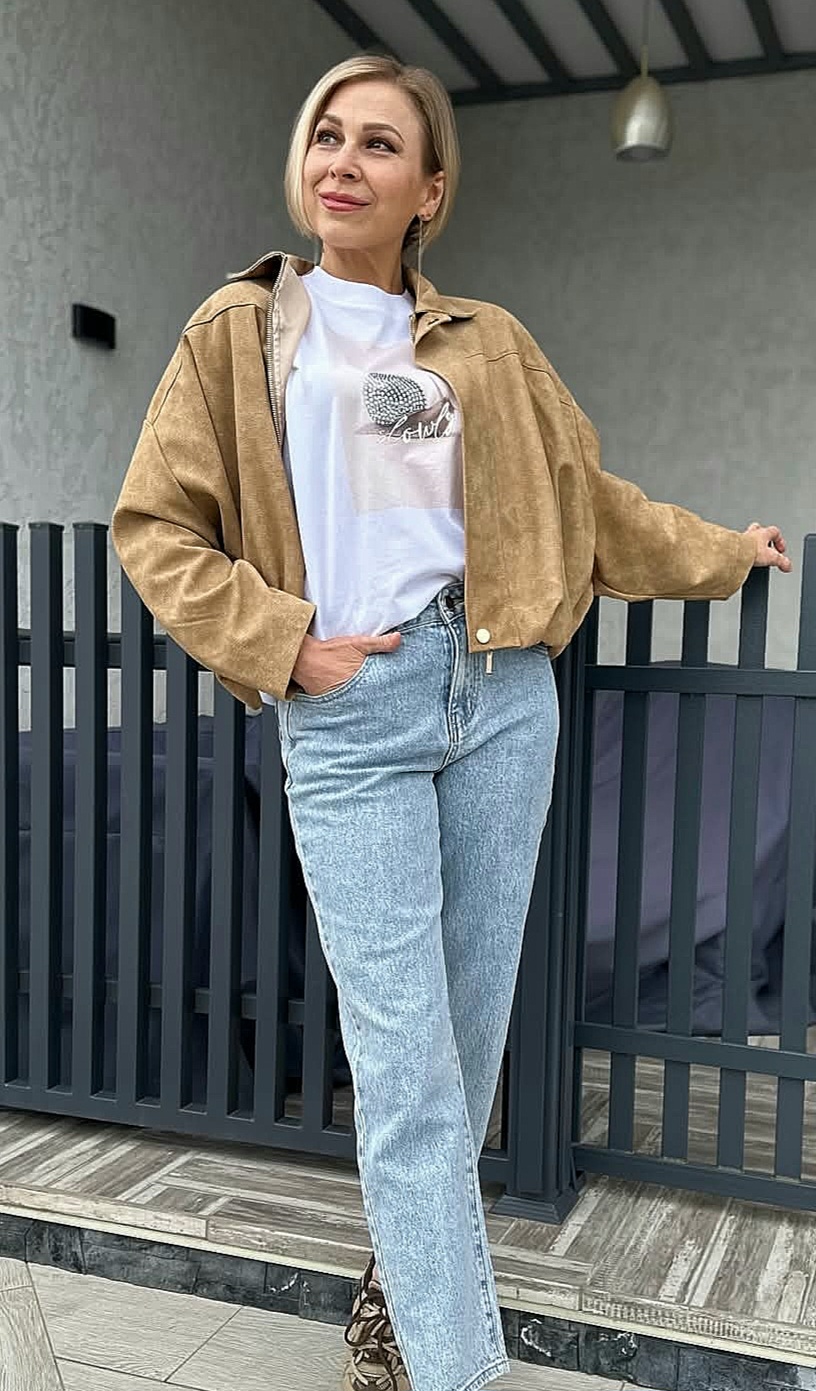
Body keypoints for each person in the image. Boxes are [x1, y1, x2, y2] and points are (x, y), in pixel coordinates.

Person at [111, 52, 792, 1391]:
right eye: (327, 134)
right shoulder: (239, 331)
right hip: (351, 707)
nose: (344, 161)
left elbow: (590, 507)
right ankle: (459, 1369)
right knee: (406, 1067)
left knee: (465, 1048)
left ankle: (398, 1300)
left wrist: (722, 551)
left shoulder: (490, 344)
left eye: (379, 144)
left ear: (429, 189)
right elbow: (155, 528)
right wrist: (285, 643)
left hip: (500, 699)